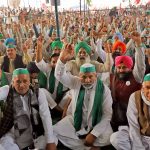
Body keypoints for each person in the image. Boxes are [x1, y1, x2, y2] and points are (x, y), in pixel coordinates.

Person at [54, 44, 113, 150]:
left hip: (97, 121)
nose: (87, 80)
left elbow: (107, 114)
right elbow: (59, 75)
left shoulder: (104, 90)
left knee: (109, 137)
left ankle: (81, 143)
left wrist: (94, 134)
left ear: (96, 75)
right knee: (55, 130)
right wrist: (61, 60)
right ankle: (89, 147)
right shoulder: (75, 82)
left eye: (91, 77)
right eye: (83, 77)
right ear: (79, 76)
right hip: (75, 119)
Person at [0, 68, 56, 150]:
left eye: (25, 81)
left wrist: (50, 141)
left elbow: (46, 117)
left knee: (48, 143)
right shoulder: (7, 90)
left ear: (29, 81)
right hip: (13, 132)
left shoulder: (38, 93)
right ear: (12, 82)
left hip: (34, 130)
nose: (21, 85)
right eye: (18, 81)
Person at [110, 31, 146, 132]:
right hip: (117, 117)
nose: (121, 70)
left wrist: (138, 44)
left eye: (124, 67)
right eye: (119, 67)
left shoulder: (136, 76)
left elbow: (140, 64)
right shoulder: (113, 77)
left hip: (135, 117)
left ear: (130, 68)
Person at [110, 73, 150, 150]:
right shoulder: (135, 97)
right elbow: (133, 125)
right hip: (139, 136)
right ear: (142, 88)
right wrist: (138, 148)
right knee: (116, 138)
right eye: (148, 87)